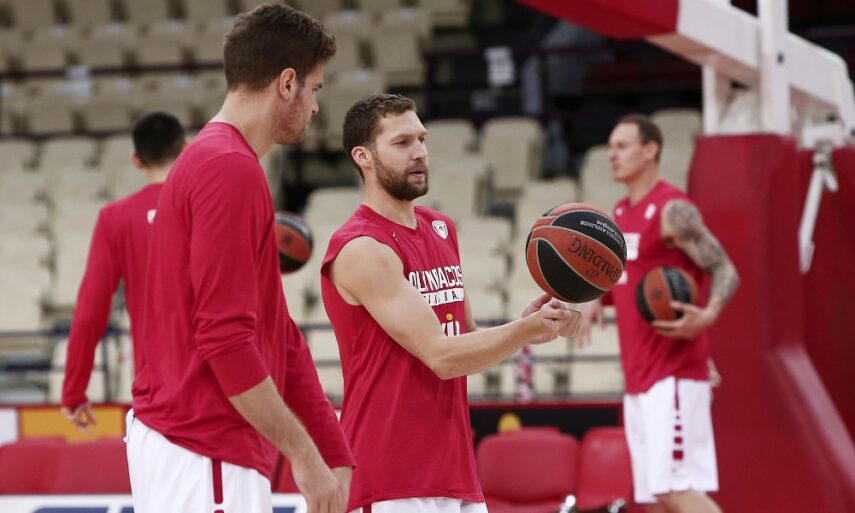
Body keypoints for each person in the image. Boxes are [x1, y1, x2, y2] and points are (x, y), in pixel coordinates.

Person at [127, 5, 353, 513]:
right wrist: (305, 456)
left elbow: (278, 331)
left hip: (194, 447)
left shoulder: (219, 160)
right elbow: (225, 340)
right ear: (287, 83)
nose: (317, 106)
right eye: (315, 89)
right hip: (203, 448)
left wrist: (332, 450)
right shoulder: (228, 169)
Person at [321, 93, 582, 513]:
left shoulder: (440, 228)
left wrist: (525, 328)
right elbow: (441, 356)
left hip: (455, 471)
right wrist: (525, 331)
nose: (420, 153)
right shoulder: (361, 247)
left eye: (422, 139)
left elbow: (466, 340)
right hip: (390, 477)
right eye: (402, 142)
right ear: (363, 157)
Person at [579, 114, 740, 513]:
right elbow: (632, 283)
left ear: (650, 150)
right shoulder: (619, 213)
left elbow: (725, 269)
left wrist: (707, 315)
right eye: (610, 147)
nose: (612, 155)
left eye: (622, 146)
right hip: (638, 378)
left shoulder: (673, 210)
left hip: (674, 374)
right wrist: (597, 298)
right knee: (654, 500)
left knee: (676, 489)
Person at [61, 111, 186, 431]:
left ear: (136, 160)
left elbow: (90, 311)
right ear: (185, 148)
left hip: (156, 395)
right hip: (224, 390)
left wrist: (74, 390)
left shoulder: (114, 218)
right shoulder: (210, 205)